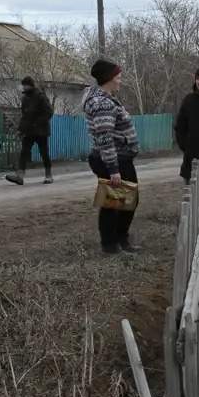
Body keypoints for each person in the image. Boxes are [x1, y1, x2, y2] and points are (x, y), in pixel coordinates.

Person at [83, 59, 140, 255]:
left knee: (127, 199)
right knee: (113, 202)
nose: (120, 80)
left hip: (119, 157)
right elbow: (104, 138)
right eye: (118, 76)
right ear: (108, 78)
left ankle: (120, 240)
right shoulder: (102, 103)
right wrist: (113, 169)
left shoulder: (107, 99)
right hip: (111, 158)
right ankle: (111, 245)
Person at [5, 76, 54, 185]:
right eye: (23, 85)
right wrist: (20, 130)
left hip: (41, 130)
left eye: (25, 85)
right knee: (24, 152)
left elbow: (49, 112)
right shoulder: (25, 98)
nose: (24, 87)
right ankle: (20, 176)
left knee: (44, 153)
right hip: (29, 131)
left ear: (30, 85)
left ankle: (48, 175)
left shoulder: (40, 96)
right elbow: (25, 116)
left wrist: (37, 122)